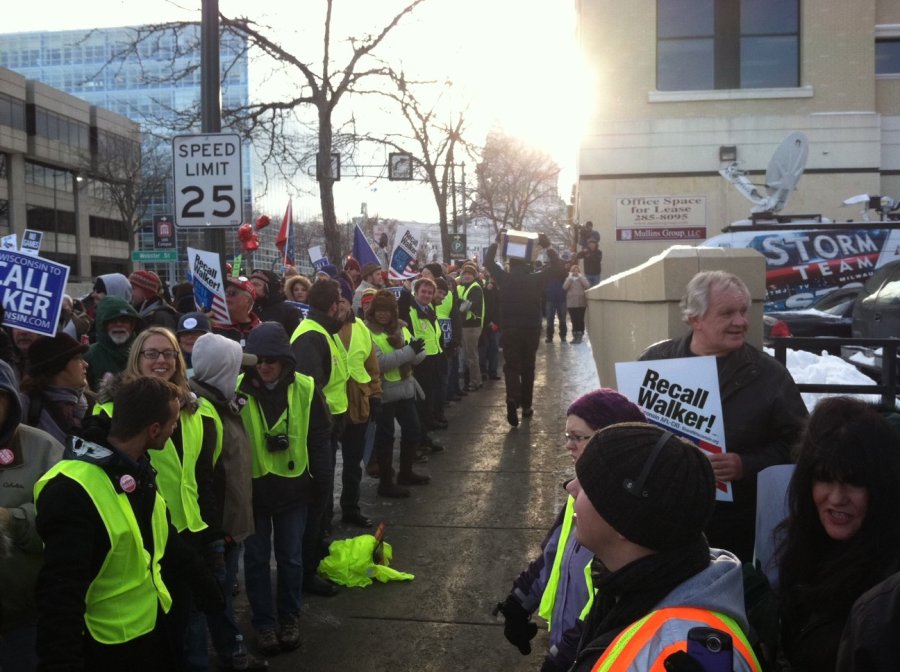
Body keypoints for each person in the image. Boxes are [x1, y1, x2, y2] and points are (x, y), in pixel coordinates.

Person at [35, 376, 222, 671]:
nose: (176, 429)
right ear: (154, 430)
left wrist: (204, 586)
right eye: (174, 423)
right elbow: (60, 594)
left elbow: (162, 535)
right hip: (108, 648)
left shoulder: (136, 467)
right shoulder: (71, 490)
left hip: (152, 631)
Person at [640, 270, 807, 562]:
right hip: (662, 518)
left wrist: (746, 464)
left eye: (743, 311)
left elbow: (801, 444)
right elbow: (627, 430)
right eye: (727, 313)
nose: (741, 322)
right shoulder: (655, 362)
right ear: (695, 319)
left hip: (734, 530)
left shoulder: (770, 375)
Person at [566, 423, 760, 672]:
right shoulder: (629, 585)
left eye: (586, 486)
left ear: (625, 519)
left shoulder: (678, 655)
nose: (570, 488)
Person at [496, 389, 646, 672]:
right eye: (568, 437)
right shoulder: (581, 488)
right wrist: (518, 602)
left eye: (578, 437)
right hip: (566, 642)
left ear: (612, 439)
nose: (569, 446)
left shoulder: (630, 511)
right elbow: (553, 555)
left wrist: (564, 657)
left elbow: (613, 604)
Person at [777, 397, 900, 672]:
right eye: (825, 477)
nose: (836, 498)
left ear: (883, 488)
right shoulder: (804, 542)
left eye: (854, 482)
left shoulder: (890, 583)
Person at [239, 322, 332, 653]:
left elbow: (321, 437)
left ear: (285, 361)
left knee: (291, 558)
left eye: (272, 360)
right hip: (253, 493)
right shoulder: (235, 389)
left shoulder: (305, 388)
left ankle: (289, 616)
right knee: (256, 560)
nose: (264, 366)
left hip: (294, 493)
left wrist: (322, 482)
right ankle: (264, 624)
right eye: (259, 360)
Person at [187, 333, 267, 671]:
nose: (242, 373)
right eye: (235, 366)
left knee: (219, 594)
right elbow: (206, 479)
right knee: (213, 599)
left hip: (229, 523)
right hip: (218, 529)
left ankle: (227, 649)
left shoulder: (223, 401)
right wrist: (218, 533)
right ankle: (224, 655)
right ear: (222, 370)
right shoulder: (203, 412)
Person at [0, 360, 64, 672]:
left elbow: (63, 523)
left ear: (11, 400)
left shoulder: (44, 449)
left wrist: (12, 520)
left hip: (25, 616)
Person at [289, 280, 346, 597]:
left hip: (327, 426)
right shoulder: (312, 334)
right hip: (316, 431)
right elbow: (310, 389)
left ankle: (315, 547)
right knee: (317, 494)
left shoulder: (323, 330)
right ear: (333, 305)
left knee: (322, 498)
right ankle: (306, 571)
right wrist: (326, 424)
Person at [484, 232, 562, 427]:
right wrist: (547, 246)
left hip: (509, 328)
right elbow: (557, 268)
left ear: (510, 263)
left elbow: (487, 262)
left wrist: (496, 242)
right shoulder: (536, 279)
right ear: (528, 264)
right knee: (529, 367)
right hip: (531, 328)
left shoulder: (504, 278)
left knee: (511, 366)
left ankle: (512, 397)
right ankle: (526, 406)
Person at [365, 289, 429, 498]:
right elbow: (381, 363)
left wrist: (415, 351)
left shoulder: (400, 328)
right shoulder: (368, 333)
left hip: (405, 388)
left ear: (393, 313)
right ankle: (385, 482)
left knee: (413, 430)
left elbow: (419, 356)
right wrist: (409, 352)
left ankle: (406, 472)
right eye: (379, 310)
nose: (382, 315)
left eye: (386, 311)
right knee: (385, 438)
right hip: (383, 392)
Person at [335, 282, 382, 528]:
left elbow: (372, 365)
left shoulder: (361, 328)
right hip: (332, 406)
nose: (339, 306)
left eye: (343, 301)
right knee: (327, 465)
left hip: (359, 402)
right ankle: (322, 516)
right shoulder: (324, 329)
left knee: (353, 463)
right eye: (336, 302)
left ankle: (350, 507)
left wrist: (375, 394)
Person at [20, 333, 92, 444]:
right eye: (77, 358)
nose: (85, 364)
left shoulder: (89, 404)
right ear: (58, 366)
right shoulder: (26, 406)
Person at [84, 296, 142, 391]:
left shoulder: (144, 352)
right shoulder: (90, 355)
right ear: (103, 325)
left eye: (124, 321)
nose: (119, 324)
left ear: (132, 325)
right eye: (112, 321)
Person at [456, 263, 485, 391]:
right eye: (464, 274)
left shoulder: (475, 288)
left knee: (471, 356)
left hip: (472, 326)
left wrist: (457, 303)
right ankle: (472, 380)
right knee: (467, 356)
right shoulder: (463, 287)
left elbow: (467, 306)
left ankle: (476, 381)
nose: (467, 276)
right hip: (465, 325)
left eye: (469, 274)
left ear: (474, 276)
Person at [249, 269, 301, 337]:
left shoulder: (290, 312)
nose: (251, 288)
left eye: (256, 285)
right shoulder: (247, 309)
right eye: (250, 284)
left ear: (269, 287)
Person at [216, 277, 261, 347]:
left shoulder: (261, 329)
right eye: (225, 293)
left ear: (248, 301)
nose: (226, 297)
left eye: (232, 293)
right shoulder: (214, 325)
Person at [563, 263, 590, 344]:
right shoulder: (568, 278)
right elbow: (564, 287)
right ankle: (575, 335)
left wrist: (580, 277)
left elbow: (587, 285)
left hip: (581, 303)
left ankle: (580, 334)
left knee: (580, 319)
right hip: (571, 303)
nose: (575, 272)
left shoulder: (582, 278)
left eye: (577, 270)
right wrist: (570, 278)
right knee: (574, 320)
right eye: (574, 270)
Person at [544, 264, 568, 344]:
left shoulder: (548, 271)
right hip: (557, 298)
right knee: (559, 319)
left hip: (555, 298)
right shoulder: (559, 271)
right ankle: (561, 336)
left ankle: (552, 336)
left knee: (552, 319)